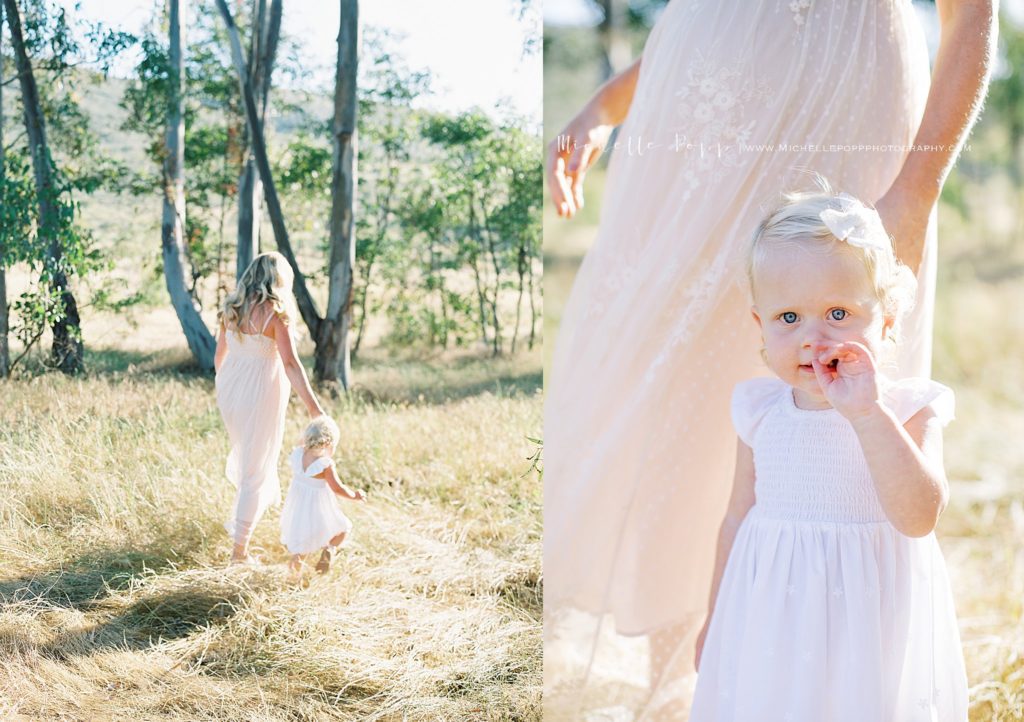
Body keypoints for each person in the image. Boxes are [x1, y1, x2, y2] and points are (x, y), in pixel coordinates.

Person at [543, 0, 995, 717]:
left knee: (839, 357)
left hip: (854, 92)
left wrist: (918, 186)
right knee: (679, 402)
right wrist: (606, 102)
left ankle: (848, 682)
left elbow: (971, 11)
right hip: (696, 117)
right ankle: (700, 688)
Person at [689, 183, 965, 721]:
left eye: (838, 314)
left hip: (870, 623)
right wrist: (715, 618)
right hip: (776, 618)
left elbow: (918, 517)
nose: (812, 338)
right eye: (788, 318)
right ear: (761, 327)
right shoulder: (760, 410)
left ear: (885, 322)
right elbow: (735, 518)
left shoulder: (910, 407)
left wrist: (867, 414)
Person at [215, 252, 324, 566]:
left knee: (251, 461)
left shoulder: (231, 309)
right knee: (256, 471)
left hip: (231, 391)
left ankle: (240, 537)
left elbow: (219, 356)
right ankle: (239, 554)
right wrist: (315, 409)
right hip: (260, 393)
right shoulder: (276, 315)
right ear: (280, 280)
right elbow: (290, 364)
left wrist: (224, 388)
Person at [280, 415, 366, 575]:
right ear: (327, 443)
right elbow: (338, 488)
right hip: (318, 508)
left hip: (298, 508)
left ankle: (292, 578)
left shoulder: (298, 454)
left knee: (301, 546)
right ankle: (329, 549)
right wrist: (355, 495)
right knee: (342, 528)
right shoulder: (325, 464)